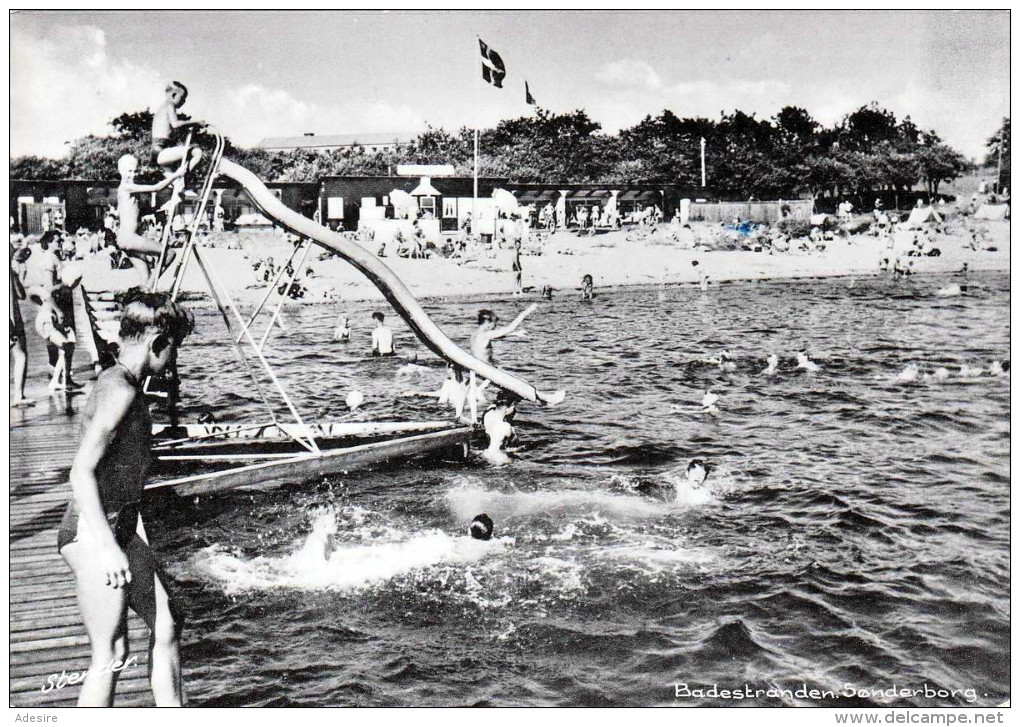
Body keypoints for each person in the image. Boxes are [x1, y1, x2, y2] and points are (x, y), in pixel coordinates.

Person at [57, 290, 193, 707]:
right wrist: (106, 547)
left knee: (168, 622)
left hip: (118, 527)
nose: (174, 361)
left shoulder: (121, 381)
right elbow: (81, 471)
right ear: (156, 344)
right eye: (174, 350)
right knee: (111, 655)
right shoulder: (121, 392)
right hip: (93, 533)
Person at [116, 154, 186, 279]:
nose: (133, 174)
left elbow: (135, 212)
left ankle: (143, 290)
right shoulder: (126, 187)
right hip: (130, 238)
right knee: (169, 253)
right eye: (129, 171)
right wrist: (177, 175)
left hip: (127, 238)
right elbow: (156, 188)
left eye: (135, 171)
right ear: (121, 171)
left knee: (146, 278)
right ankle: (152, 284)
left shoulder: (130, 190)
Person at [151, 81, 204, 180]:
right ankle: (186, 179)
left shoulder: (162, 108)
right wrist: (196, 122)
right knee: (197, 152)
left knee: (175, 184)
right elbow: (175, 124)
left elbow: (172, 128)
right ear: (174, 95)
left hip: (158, 150)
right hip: (160, 150)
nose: (184, 101)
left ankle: (180, 185)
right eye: (182, 98)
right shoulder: (169, 105)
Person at [10, 246, 32, 407]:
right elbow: (21, 294)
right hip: (11, 319)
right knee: (21, 356)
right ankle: (18, 395)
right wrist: (17, 275)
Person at [481, 392, 517, 465]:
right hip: (498, 458)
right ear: (507, 409)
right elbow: (514, 445)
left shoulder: (488, 413)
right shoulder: (506, 426)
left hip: (485, 454)